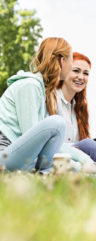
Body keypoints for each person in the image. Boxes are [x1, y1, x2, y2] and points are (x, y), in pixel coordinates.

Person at [0, 37, 71, 171]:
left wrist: (83, 159)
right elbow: (32, 138)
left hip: (14, 155)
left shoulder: (41, 91)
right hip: (4, 156)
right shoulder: (29, 86)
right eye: (71, 60)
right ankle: (49, 171)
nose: (72, 66)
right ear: (63, 61)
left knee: (68, 161)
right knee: (57, 123)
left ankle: (49, 172)